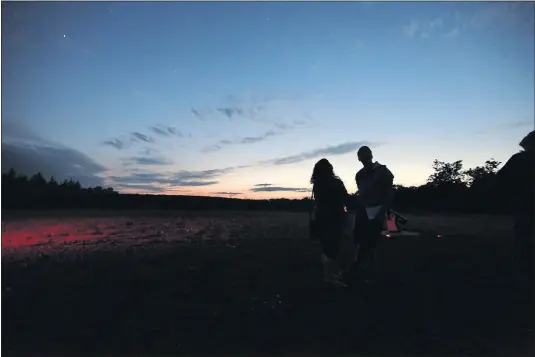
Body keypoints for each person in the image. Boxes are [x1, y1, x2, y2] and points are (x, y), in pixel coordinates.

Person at [495, 130, 535, 286]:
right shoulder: (519, 159)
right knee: (524, 233)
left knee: (524, 234)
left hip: (524, 202)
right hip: (525, 202)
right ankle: (525, 269)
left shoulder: (519, 159)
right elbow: (503, 179)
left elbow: (502, 179)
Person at [352, 146, 394, 284]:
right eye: (361, 155)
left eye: (365, 155)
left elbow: (388, 194)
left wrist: (382, 211)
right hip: (363, 211)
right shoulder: (359, 175)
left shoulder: (383, 172)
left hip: (377, 211)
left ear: (370, 155)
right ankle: (358, 268)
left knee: (372, 244)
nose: (363, 158)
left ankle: (371, 273)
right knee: (360, 241)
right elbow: (362, 194)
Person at [310, 158, 351, 287]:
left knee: (326, 247)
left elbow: (319, 203)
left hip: (322, 218)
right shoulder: (336, 183)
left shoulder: (317, 185)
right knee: (334, 247)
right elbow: (345, 199)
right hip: (336, 218)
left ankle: (329, 275)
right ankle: (331, 277)